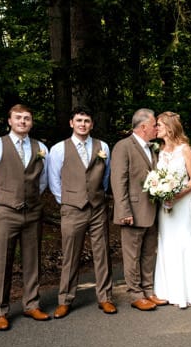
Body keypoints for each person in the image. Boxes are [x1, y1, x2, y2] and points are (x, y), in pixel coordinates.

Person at [0, 104, 49, 330]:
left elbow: (43, 179)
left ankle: (31, 304)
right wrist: (1, 200)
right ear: (9, 121)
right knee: (2, 262)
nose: (23, 121)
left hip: (33, 211)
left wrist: (31, 199)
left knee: (32, 260)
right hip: (5, 212)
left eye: (27, 118)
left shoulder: (41, 148)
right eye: (18, 118)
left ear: (31, 122)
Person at [45, 106, 114, 317]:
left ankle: (105, 297)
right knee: (70, 255)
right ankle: (65, 299)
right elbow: (53, 179)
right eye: (79, 120)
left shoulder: (103, 146)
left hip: (97, 207)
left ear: (91, 124)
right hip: (72, 208)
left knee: (102, 253)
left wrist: (97, 195)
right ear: (71, 123)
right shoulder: (58, 149)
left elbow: (106, 175)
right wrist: (65, 201)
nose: (82, 124)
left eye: (86, 121)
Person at [150, 112, 191, 308]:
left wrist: (178, 194)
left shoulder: (184, 149)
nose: (156, 129)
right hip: (166, 206)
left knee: (184, 242)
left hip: (183, 202)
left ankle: (189, 291)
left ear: (170, 127)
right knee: (168, 243)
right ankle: (168, 291)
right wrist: (161, 192)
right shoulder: (159, 151)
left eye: (159, 125)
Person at [112, 108, 165, 311]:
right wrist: (124, 211)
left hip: (151, 209)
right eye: (154, 125)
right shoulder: (123, 146)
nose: (156, 129)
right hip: (132, 210)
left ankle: (148, 290)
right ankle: (135, 294)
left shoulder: (151, 148)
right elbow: (119, 181)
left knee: (148, 253)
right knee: (132, 255)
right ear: (143, 127)